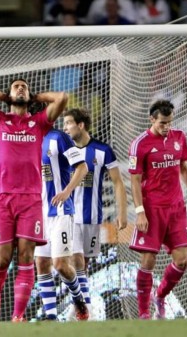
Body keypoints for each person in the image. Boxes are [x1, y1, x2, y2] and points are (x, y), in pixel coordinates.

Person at [0, 78, 68, 322]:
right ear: (9, 93)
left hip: (30, 199)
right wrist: (7, 98)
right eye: (16, 86)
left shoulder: (38, 124)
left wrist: (36, 97)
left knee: (27, 256)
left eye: (24, 87)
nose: (20, 88)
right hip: (2, 198)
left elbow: (62, 99)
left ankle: (18, 317)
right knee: (2, 258)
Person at [128, 100, 187, 320]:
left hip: (176, 208)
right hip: (152, 209)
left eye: (169, 122)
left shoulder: (179, 137)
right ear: (152, 119)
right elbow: (135, 180)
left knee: (182, 260)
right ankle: (144, 313)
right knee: (148, 260)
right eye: (162, 122)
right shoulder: (140, 144)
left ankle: (160, 295)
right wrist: (140, 211)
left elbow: (182, 167)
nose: (166, 126)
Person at [62, 108, 128, 318]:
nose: (64, 128)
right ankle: (85, 305)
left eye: (68, 123)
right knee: (76, 259)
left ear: (81, 125)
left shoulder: (102, 150)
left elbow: (118, 182)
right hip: (68, 216)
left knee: (84, 263)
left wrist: (122, 212)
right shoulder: (64, 150)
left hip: (92, 216)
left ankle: (79, 303)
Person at [35, 127, 90, 321]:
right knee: (41, 263)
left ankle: (78, 298)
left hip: (59, 211)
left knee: (60, 265)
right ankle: (51, 316)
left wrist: (67, 191)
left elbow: (82, 167)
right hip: (36, 214)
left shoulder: (58, 137)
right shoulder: (25, 139)